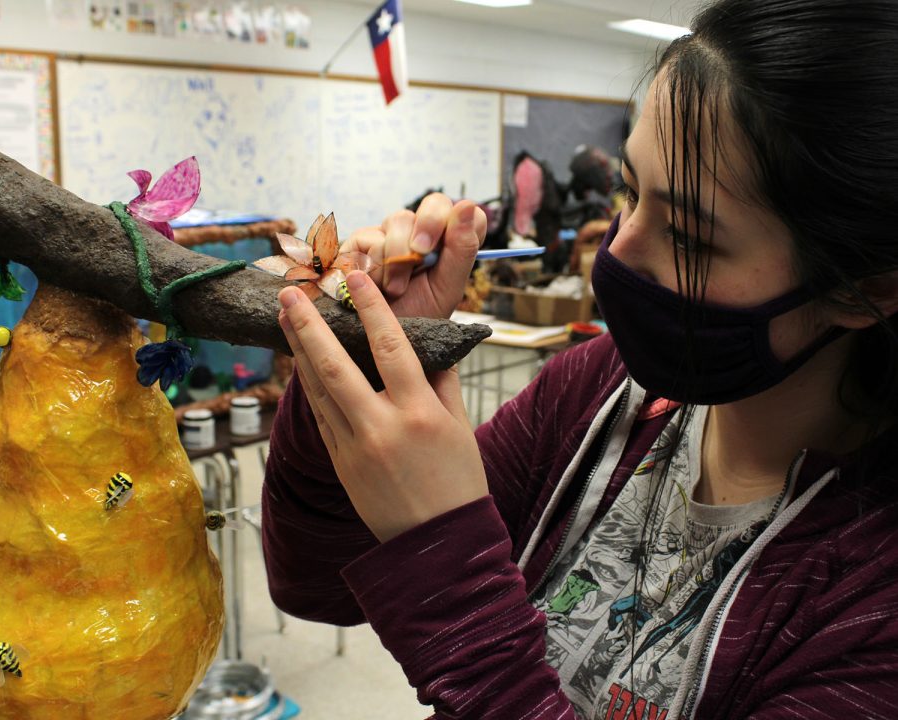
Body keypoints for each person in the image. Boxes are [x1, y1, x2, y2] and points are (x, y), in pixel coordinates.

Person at [261, 0, 898, 717]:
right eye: (630, 191)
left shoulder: (870, 612)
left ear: (865, 288)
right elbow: (318, 580)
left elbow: (440, 587)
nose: (616, 252)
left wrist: (446, 554)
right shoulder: (602, 389)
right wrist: (368, 361)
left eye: (688, 237)